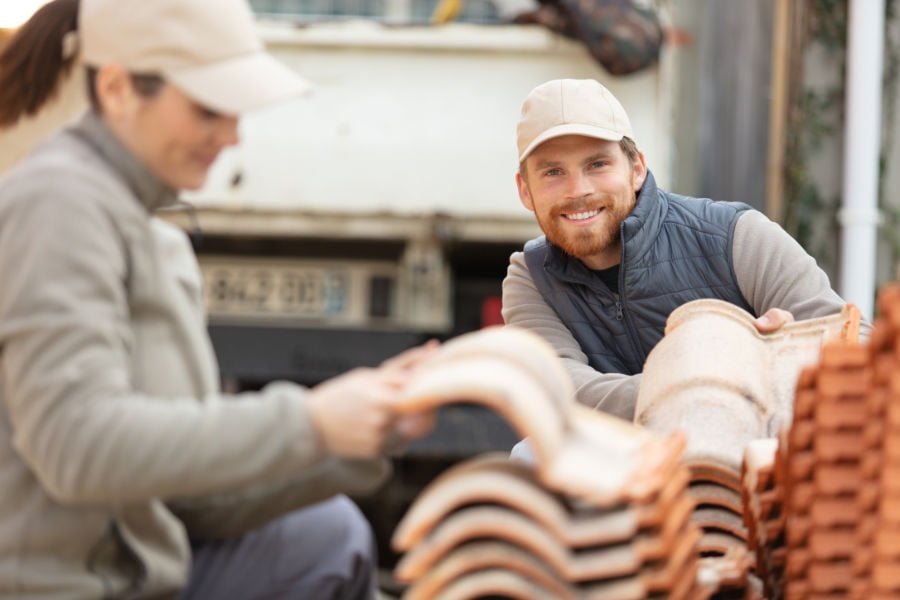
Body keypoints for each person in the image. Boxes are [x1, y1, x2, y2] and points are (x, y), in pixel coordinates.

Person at [0, 0, 433, 597]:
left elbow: (192, 500)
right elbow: (77, 446)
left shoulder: (137, 224)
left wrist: (370, 430)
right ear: (119, 89)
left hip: (134, 570)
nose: (232, 136)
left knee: (325, 533)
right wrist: (309, 422)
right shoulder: (59, 202)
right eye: (208, 108)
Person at [503, 78, 856, 421]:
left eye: (597, 164)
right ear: (525, 190)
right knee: (528, 455)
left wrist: (775, 353)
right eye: (552, 172)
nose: (577, 190)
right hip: (615, 466)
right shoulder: (530, 277)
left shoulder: (736, 238)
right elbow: (556, 389)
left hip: (748, 452)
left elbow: (852, 346)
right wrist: (710, 380)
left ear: (637, 168)